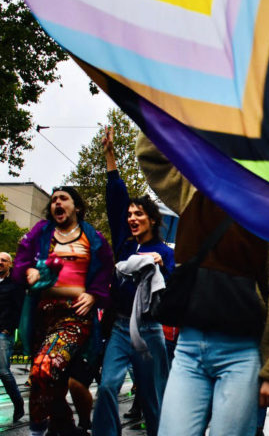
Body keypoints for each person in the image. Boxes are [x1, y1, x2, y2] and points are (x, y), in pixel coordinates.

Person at [135, 133, 269, 436]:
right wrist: (173, 98)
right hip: (187, 350)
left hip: (241, 353)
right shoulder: (193, 189)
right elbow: (151, 153)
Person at [92, 126, 175, 436]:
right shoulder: (126, 243)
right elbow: (115, 198)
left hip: (150, 333)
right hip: (119, 329)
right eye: (129, 215)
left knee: (154, 400)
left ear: (151, 219)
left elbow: (168, 286)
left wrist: (159, 267)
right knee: (107, 388)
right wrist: (110, 155)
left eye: (138, 214)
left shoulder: (163, 253)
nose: (131, 218)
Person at [13, 187, 114, 436]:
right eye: (53, 200)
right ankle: (65, 427)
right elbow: (21, 262)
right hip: (42, 316)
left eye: (63, 198)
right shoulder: (40, 233)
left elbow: (106, 271)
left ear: (76, 207)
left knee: (43, 369)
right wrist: (28, 272)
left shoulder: (93, 237)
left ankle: (39, 429)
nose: (57, 203)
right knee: (52, 383)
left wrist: (94, 295)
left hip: (75, 318)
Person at [0, 252, 25, 422]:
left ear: (10, 264)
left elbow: (20, 309)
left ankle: (18, 403)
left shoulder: (15, 285)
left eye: (3, 260)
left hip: (3, 333)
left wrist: (10, 328)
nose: (0, 262)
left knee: (2, 371)